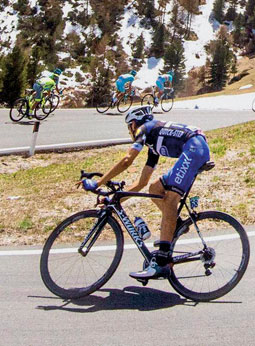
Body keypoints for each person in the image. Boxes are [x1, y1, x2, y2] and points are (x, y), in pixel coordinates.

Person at [88, 106, 211, 281]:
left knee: (170, 200)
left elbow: (127, 160)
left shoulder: (144, 129)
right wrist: (115, 200)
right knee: (154, 188)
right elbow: (141, 183)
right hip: (194, 147)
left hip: (194, 148)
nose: (130, 131)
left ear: (134, 124)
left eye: (129, 127)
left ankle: (160, 263)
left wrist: (97, 183)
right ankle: (175, 223)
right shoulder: (154, 143)